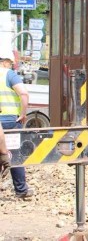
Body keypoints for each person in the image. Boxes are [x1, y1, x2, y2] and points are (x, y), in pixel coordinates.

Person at [0, 52, 33, 198]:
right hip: (9, 121)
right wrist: (23, 113)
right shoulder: (9, 74)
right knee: (15, 155)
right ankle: (21, 190)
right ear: (5, 61)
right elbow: (24, 94)